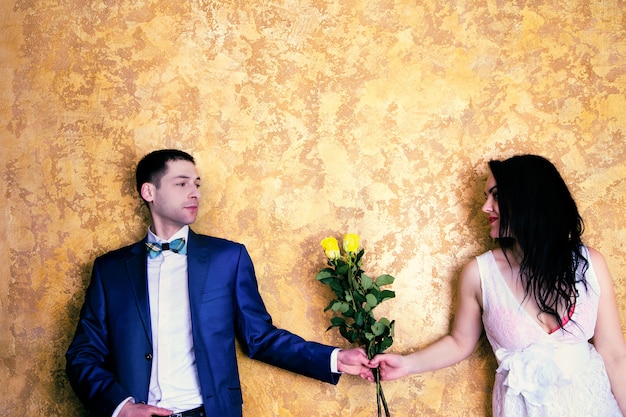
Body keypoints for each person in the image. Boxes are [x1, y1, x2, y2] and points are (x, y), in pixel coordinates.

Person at [66, 149, 372, 417]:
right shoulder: (110, 270)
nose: (195, 193)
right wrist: (121, 407)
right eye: (182, 183)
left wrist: (334, 358)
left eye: (197, 184)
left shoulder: (228, 258)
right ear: (149, 192)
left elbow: (260, 338)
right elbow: (83, 355)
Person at [368, 154, 626, 416]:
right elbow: (460, 342)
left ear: (530, 198)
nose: (485, 207)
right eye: (486, 196)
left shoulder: (590, 264)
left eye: (496, 196)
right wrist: (406, 364)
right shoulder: (478, 274)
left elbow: (615, 354)